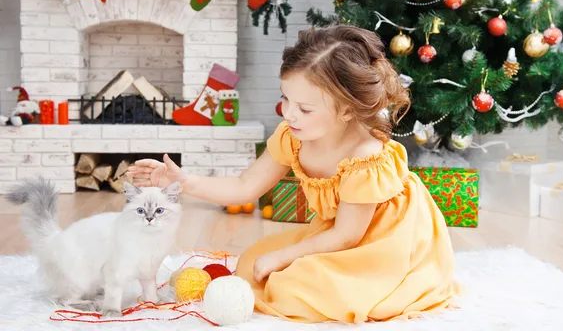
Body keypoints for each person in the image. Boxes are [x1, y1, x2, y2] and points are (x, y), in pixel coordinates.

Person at [128, 25, 460, 323]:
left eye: (304, 108)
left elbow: (348, 237)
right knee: (252, 263)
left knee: (303, 286)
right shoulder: (294, 137)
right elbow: (245, 186)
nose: (289, 114)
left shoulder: (364, 156)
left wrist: (285, 255)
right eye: (285, 99)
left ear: (346, 110)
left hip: (386, 241)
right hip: (335, 233)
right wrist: (183, 181)